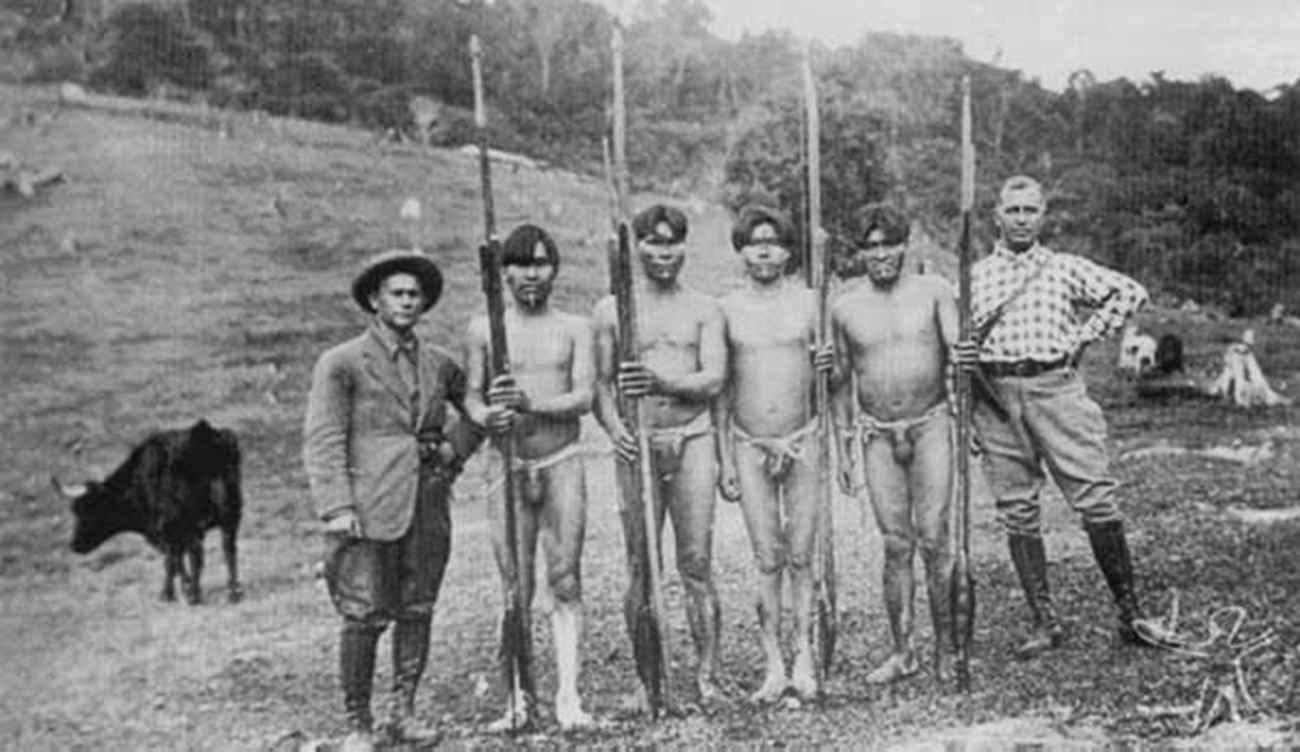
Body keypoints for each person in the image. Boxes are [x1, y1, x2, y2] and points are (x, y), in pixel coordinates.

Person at [953, 175, 1160, 657]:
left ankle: (1130, 613)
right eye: (1013, 210)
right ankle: (1044, 621)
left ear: (1043, 216)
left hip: (1056, 390)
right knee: (1017, 509)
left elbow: (1131, 292)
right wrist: (965, 408)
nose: (1022, 219)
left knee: (1095, 499)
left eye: (1030, 210)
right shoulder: (974, 277)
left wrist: (1082, 336)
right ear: (997, 217)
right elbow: (956, 346)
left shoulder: (1063, 268)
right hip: (995, 397)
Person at [303, 249, 482, 752]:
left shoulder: (438, 363)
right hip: (367, 506)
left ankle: (404, 713)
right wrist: (337, 507)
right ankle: (358, 724)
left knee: (418, 607)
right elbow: (323, 438)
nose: (407, 301)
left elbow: (479, 408)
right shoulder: (341, 363)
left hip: (427, 504)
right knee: (363, 614)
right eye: (396, 293)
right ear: (374, 300)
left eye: (414, 294)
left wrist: (453, 451)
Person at [592, 204, 728, 710]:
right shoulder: (612, 310)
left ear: (684, 247)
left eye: (672, 243)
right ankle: (647, 680)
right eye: (653, 242)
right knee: (641, 564)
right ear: (637, 247)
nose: (663, 253)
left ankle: (708, 674)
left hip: (692, 438)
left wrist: (661, 381)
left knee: (696, 561)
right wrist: (614, 428)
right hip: (639, 443)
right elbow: (600, 384)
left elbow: (713, 378)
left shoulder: (704, 308)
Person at [464, 224, 596, 731]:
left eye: (541, 263)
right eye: (520, 265)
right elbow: (473, 397)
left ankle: (569, 697)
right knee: (514, 583)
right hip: (507, 464)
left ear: (554, 269)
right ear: (504, 273)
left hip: (560, 459)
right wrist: (486, 416)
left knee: (565, 577)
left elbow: (583, 396)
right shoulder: (484, 330)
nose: (531, 275)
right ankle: (518, 698)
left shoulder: (574, 328)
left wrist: (530, 403)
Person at [830, 203, 961, 684]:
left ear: (906, 245)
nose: (882, 254)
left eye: (890, 244)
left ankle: (947, 648)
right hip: (877, 434)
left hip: (930, 425)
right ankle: (903, 651)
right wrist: (844, 445)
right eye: (872, 246)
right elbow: (840, 382)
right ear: (860, 252)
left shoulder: (934, 291)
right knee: (895, 543)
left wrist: (963, 351)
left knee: (935, 537)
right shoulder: (844, 307)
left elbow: (956, 348)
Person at [714, 205, 834, 703]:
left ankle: (804, 654)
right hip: (748, 443)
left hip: (804, 438)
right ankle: (773, 664)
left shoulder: (811, 302)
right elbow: (721, 390)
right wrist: (725, 457)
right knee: (767, 557)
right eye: (754, 242)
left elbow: (835, 380)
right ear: (741, 250)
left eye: (774, 242)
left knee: (802, 554)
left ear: (788, 251)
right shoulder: (726, 309)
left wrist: (828, 363)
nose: (764, 251)